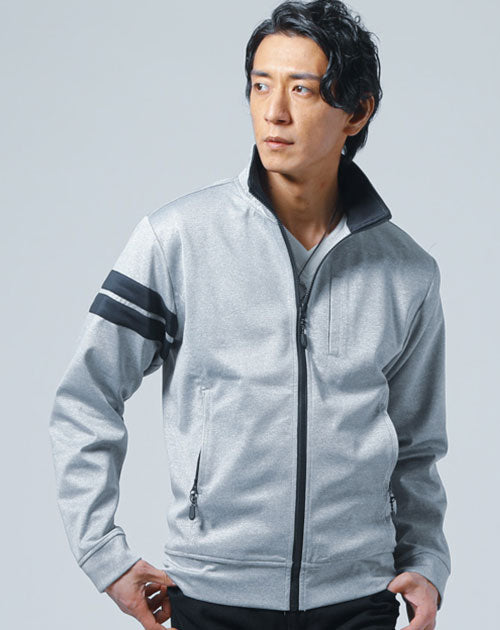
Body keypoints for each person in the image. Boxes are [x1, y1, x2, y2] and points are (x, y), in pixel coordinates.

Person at [48, 1, 451, 629]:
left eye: (302, 89)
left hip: (359, 601)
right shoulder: (176, 241)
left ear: (357, 111)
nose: (274, 111)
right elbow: (85, 397)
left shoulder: (408, 273)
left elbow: (417, 446)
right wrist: (104, 554)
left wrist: (425, 560)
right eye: (261, 86)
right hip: (213, 596)